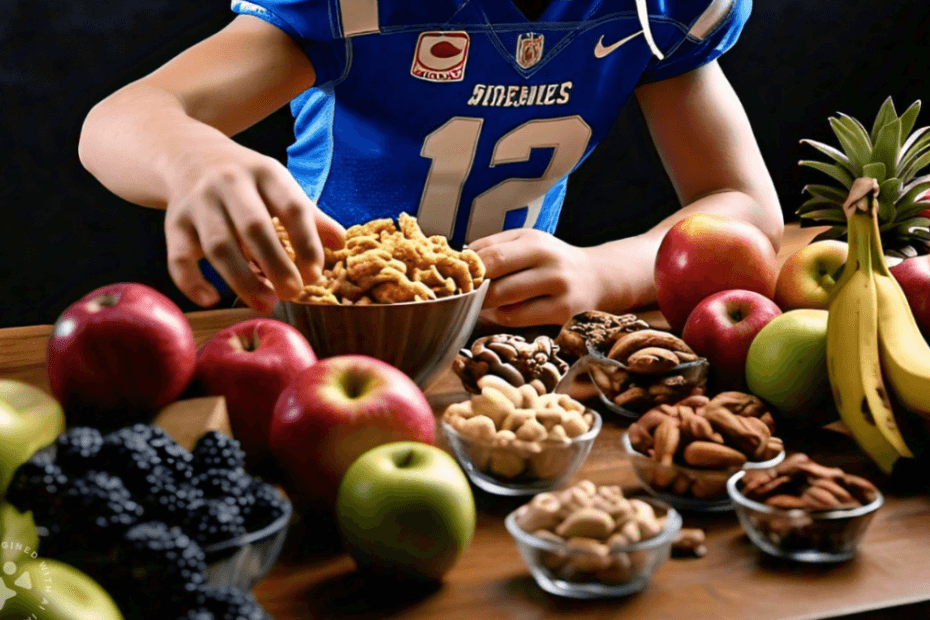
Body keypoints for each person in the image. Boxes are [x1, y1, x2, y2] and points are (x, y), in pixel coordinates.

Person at [78, 0, 783, 327]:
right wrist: (192, 160)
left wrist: (605, 270)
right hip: (329, 325)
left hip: (512, 331)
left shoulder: (654, 11)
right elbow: (120, 119)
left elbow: (743, 208)